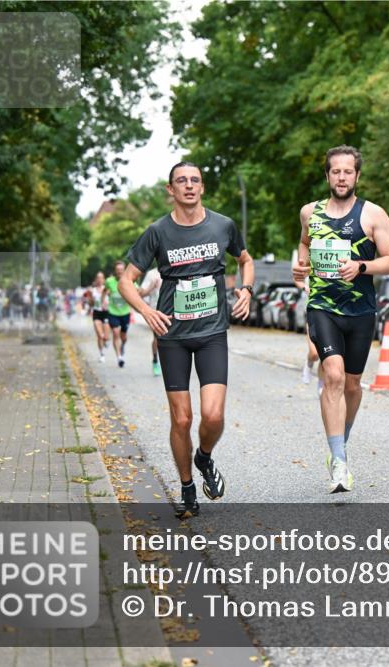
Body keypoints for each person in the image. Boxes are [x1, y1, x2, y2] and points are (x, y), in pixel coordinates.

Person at [117, 161, 254, 518]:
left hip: (211, 334)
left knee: (212, 414)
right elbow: (125, 280)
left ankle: (204, 457)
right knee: (181, 420)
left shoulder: (223, 225)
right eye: (182, 181)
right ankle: (187, 486)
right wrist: (146, 312)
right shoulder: (158, 232)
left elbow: (245, 259)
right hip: (172, 336)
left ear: (202, 187)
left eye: (195, 180)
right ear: (171, 190)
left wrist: (247, 289)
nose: (189, 186)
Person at [292, 145, 389, 493]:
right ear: (327, 175)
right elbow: (304, 244)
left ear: (356, 175)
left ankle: (341, 442)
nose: (341, 177)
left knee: (352, 385)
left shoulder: (373, 215)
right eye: (335, 171)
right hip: (323, 307)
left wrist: (361, 266)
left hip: (361, 312)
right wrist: (300, 269)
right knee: (334, 376)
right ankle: (339, 462)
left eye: (348, 172)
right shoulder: (310, 212)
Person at [294, 274, 321, 390]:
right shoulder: (310, 262)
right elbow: (297, 278)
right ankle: (309, 362)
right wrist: (305, 287)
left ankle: (323, 384)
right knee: (315, 353)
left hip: (332, 313)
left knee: (328, 356)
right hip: (312, 314)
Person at [105, 261, 131, 367]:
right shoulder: (109, 281)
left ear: (124, 270)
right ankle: (119, 357)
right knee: (115, 333)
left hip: (125, 313)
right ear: (115, 271)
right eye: (118, 270)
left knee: (123, 337)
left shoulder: (129, 281)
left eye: (121, 270)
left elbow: (138, 291)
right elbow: (104, 291)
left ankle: (123, 345)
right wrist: (104, 300)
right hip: (113, 311)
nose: (120, 272)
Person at [139, 266, 163, 376]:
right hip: (156, 311)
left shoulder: (175, 268)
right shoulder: (152, 274)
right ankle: (155, 360)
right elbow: (141, 294)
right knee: (158, 338)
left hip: (174, 310)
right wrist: (151, 287)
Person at [89, 272, 110, 362]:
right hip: (96, 313)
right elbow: (90, 304)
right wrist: (91, 299)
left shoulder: (107, 290)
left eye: (101, 278)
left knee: (105, 336)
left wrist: (108, 303)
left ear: (104, 279)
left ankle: (106, 340)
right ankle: (102, 354)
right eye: (98, 278)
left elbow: (112, 301)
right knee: (99, 335)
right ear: (96, 279)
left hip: (106, 313)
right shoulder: (92, 290)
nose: (99, 280)